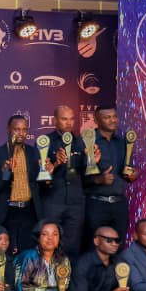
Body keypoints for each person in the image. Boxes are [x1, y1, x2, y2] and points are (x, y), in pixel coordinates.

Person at [0, 115, 42, 254]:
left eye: (24, 129)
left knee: (27, 253)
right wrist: (5, 174)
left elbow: (39, 184)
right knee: (5, 254)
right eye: (17, 129)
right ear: (8, 130)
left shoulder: (34, 152)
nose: (21, 133)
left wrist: (48, 175)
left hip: (29, 211)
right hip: (6, 212)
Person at [83, 106, 136, 249]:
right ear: (96, 120)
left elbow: (126, 170)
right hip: (96, 204)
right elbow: (76, 177)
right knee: (93, 247)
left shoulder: (122, 143)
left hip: (119, 204)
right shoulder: (87, 141)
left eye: (114, 116)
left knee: (118, 247)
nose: (113, 120)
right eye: (107, 117)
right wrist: (98, 180)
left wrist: (132, 174)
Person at [39, 106, 86, 256]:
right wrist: (55, 164)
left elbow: (86, 173)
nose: (69, 123)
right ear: (55, 120)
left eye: (71, 119)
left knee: (73, 246)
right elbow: (40, 177)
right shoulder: (45, 142)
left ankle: (69, 271)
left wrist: (92, 161)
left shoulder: (81, 142)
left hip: (75, 203)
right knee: (49, 245)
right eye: (64, 119)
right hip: (53, 200)